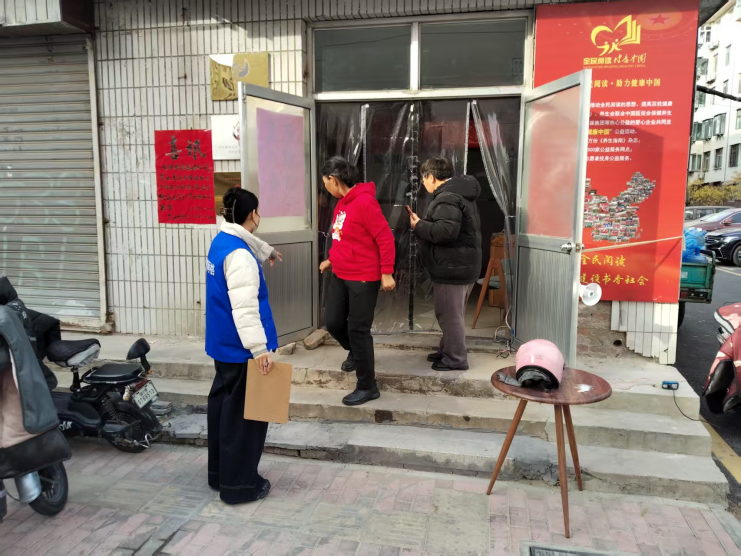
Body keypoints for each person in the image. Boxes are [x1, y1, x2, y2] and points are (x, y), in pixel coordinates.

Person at [205, 187, 279, 504]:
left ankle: (219, 474)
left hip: (223, 344)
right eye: (257, 211)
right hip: (242, 350)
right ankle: (239, 487)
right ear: (252, 215)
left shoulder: (222, 241)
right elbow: (245, 308)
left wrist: (267, 251)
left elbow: (244, 241)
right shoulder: (240, 258)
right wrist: (260, 350)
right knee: (244, 422)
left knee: (223, 412)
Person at [320, 156, 396, 406]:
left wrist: (386, 272)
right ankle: (354, 351)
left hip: (363, 276)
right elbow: (341, 238)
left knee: (358, 330)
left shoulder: (364, 202)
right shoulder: (341, 204)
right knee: (333, 322)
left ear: (333, 179)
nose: (325, 187)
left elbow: (385, 238)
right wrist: (331, 259)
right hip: (341, 273)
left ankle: (367, 386)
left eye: (325, 182)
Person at [409, 157, 481, 371]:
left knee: (449, 316)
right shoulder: (459, 194)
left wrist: (418, 225)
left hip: (452, 267)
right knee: (450, 314)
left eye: (423, 179)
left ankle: (455, 359)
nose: (423, 183)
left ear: (431, 177)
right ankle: (446, 349)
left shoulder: (447, 198)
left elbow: (446, 232)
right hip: (461, 265)